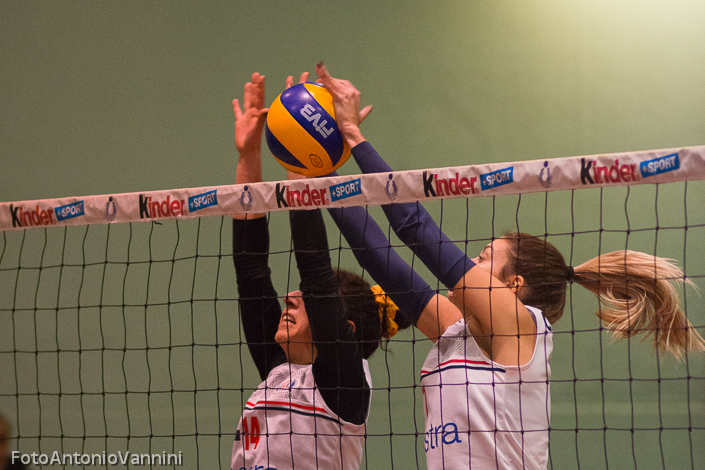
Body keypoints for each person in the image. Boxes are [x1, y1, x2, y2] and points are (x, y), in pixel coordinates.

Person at [314, 63, 705, 470]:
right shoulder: (457, 330)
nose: (469, 263)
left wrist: (353, 135)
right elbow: (379, 258)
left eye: (483, 259)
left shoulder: (520, 327)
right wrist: (318, 171)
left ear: (513, 285)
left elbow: (415, 227)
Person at [229, 73, 414, 470]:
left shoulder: (344, 383)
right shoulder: (280, 369)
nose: (291, 297)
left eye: (309, 299)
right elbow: (250, 271)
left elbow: (314, 275)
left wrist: (300, 163)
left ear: (342, 326)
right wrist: (249, 156)